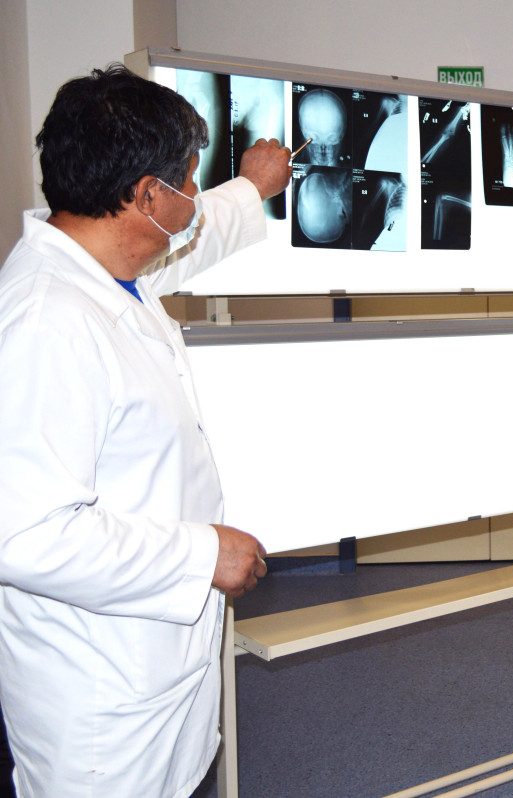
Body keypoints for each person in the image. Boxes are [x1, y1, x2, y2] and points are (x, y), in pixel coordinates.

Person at [0, 65, 292, 797]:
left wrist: (251, 188)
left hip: (149, 675)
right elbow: (22, 535)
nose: (195, 196)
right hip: (101, 710)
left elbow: (199, 235)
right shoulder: (45, 323)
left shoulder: (106, 273)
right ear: (147, 196)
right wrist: (202, 554)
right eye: (188, 180)